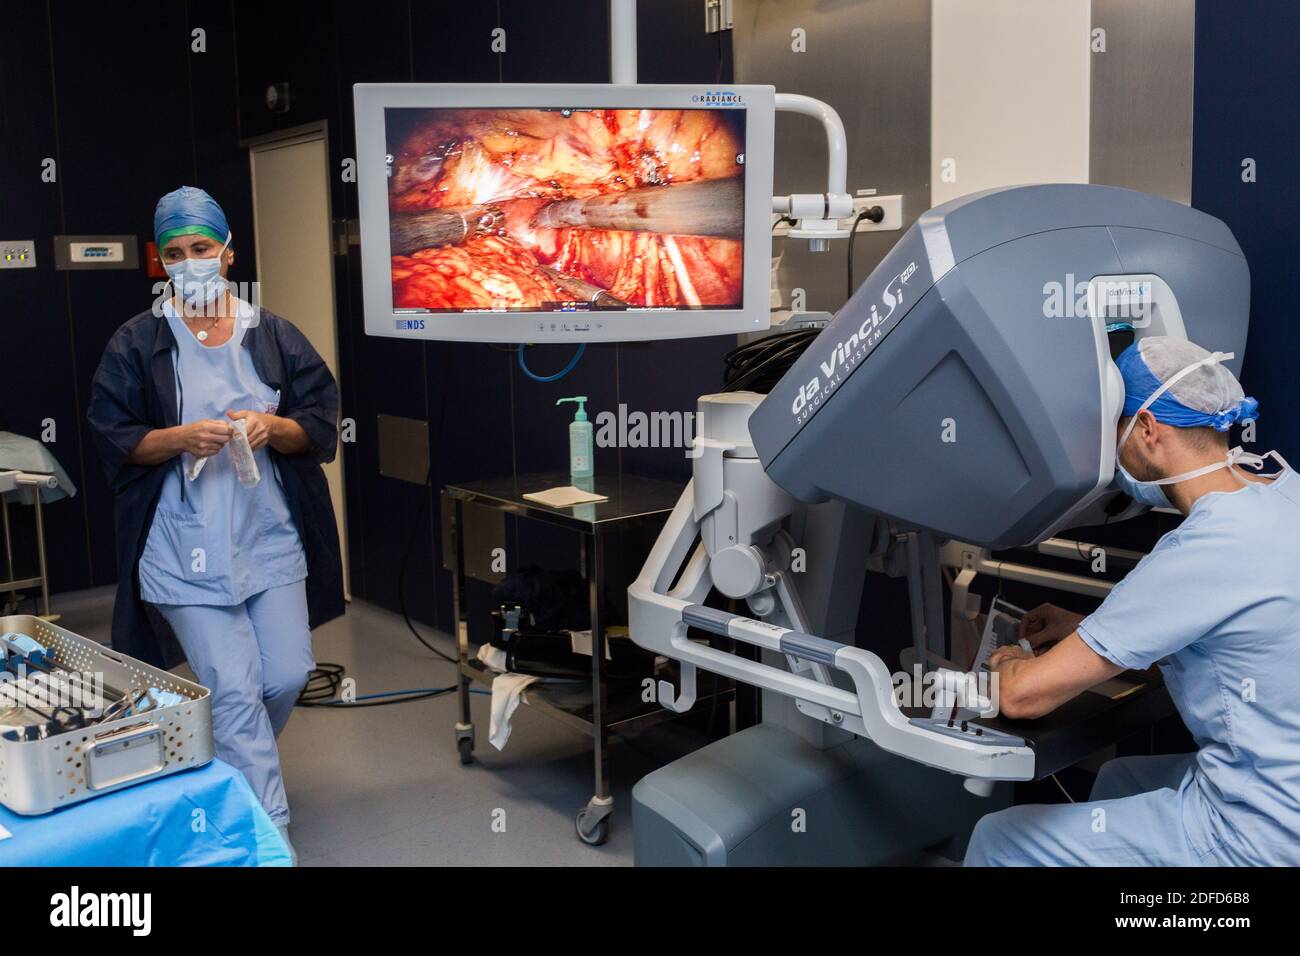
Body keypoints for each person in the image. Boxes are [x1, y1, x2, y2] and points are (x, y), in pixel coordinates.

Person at [964, 336, 1299, 866]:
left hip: (1258, 836)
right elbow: (1217, 633)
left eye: (1116, 428)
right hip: (1286, 790)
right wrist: (1085, 626)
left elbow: (1022, 699)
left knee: (997, 839)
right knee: (1121, 777)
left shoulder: (1201, 549)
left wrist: (1011, 662)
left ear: (1146, 428)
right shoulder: (1283, 490)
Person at [87, 186, 344, 862]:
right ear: (159, 262)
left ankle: (226, 770)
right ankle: (269, 841)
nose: (190, 262)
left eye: (202, 248)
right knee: (232, 692)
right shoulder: (138, 345)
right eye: (174, 253)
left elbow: (318, 429)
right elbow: (114, 439)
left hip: (267, 541)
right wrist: (176, 438)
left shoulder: (274, 336)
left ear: (229, 253)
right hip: (182, 550)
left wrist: (273, 424)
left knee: (283, 675)